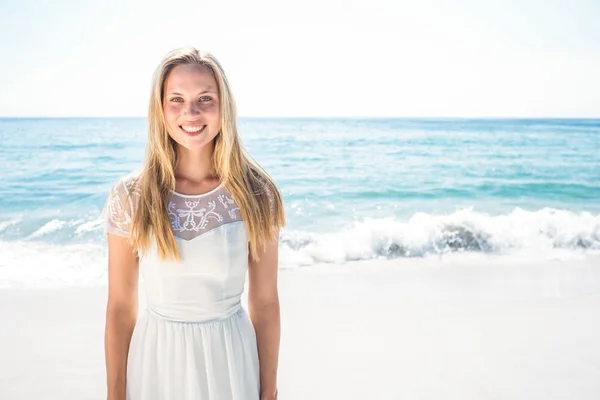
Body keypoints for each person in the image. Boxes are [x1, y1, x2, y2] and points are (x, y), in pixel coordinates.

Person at [102, 47, 285, 400]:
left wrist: (269, 391)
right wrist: (115, 393)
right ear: (160, 108)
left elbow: (264, 303)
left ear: (224, 106)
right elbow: (121, 307)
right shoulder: (132, 196)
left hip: (230, 360)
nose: (191, 112)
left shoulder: (257, 193)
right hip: (156, 360)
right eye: (176, 99)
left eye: (205, 98)